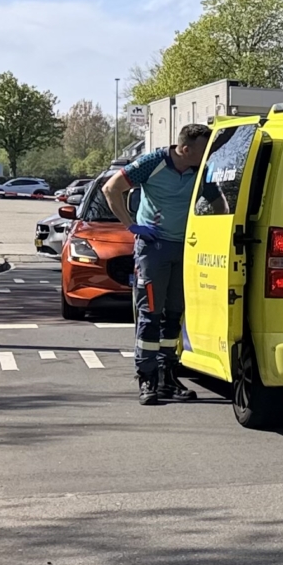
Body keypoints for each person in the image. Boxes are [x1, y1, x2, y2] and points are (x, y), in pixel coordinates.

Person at [106, 123, 209, 406]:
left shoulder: (200, 169)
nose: (207, 155)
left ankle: (167, 377)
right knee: (150, 313)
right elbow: (111, 189)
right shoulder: (153, 163)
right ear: (185, 149)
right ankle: (147, 379)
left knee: (173, 315)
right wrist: (132, 226)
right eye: (202, 150)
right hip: (155, 249)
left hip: (185, 248)